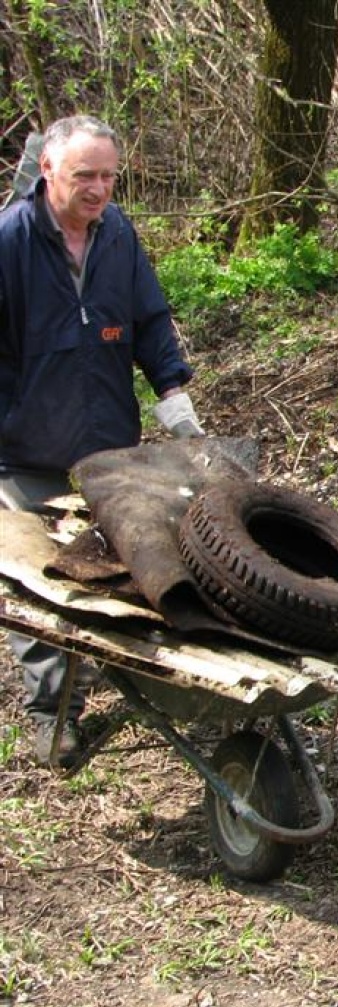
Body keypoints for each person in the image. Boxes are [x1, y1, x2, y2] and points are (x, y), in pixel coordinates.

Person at [1, 114, 204, 772]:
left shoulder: (116, 234)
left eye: (109, 176)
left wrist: (173, 397)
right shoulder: (10, 241)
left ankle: (119, 672)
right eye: (84, 175)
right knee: (42, 585)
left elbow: (148, 318)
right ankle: (52, 713)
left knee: (113, 564)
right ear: (47, 170)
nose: (98, 189)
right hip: (26, 449)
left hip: (109, 444)